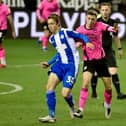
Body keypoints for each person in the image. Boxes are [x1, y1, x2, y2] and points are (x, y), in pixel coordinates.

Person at [38, 14, 94, 123]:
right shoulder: (52, 39)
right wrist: (49, 63)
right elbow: (60, 53)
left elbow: (82, 36)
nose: (50, 26)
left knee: (65, 94)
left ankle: (72, 107)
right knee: (49, 87)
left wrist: (87, 42)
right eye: (48, 24)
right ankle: (51, 115)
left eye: (52, 24)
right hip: (59, 65)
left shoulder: (66, 32)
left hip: (71, 66)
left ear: (58, 24)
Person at [73, 9, 117, 119]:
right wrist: (78, 44)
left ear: (95, 19)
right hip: (89, 61)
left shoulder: (99, 25)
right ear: (85, 18)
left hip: (101, 60)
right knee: (85, 83)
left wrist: (114, 29)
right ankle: (80, 110)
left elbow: (109, 28)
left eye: (93, 19)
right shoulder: (80, 29)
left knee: (109, 87)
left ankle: (107, 105)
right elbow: (75, 41)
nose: (91, 21)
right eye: (89, 18)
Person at [91, 2, 126, 100]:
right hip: (97, 51)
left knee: (113, 71)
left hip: (109, 50)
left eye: (106, 10)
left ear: (110, 11)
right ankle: (93, 92)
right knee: (96, 73)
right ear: (100, 11)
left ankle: (119, 93)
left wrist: (119, 48)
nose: (105, 12)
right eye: (103, 10)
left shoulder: (113, 22)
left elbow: (115, 37)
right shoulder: (96, 22)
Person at [0, 0, 16, 68]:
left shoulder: (6, 8)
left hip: (2, 29)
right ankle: (3, 63)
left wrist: (13, 31)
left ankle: (3, 63)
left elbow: (10, 19)